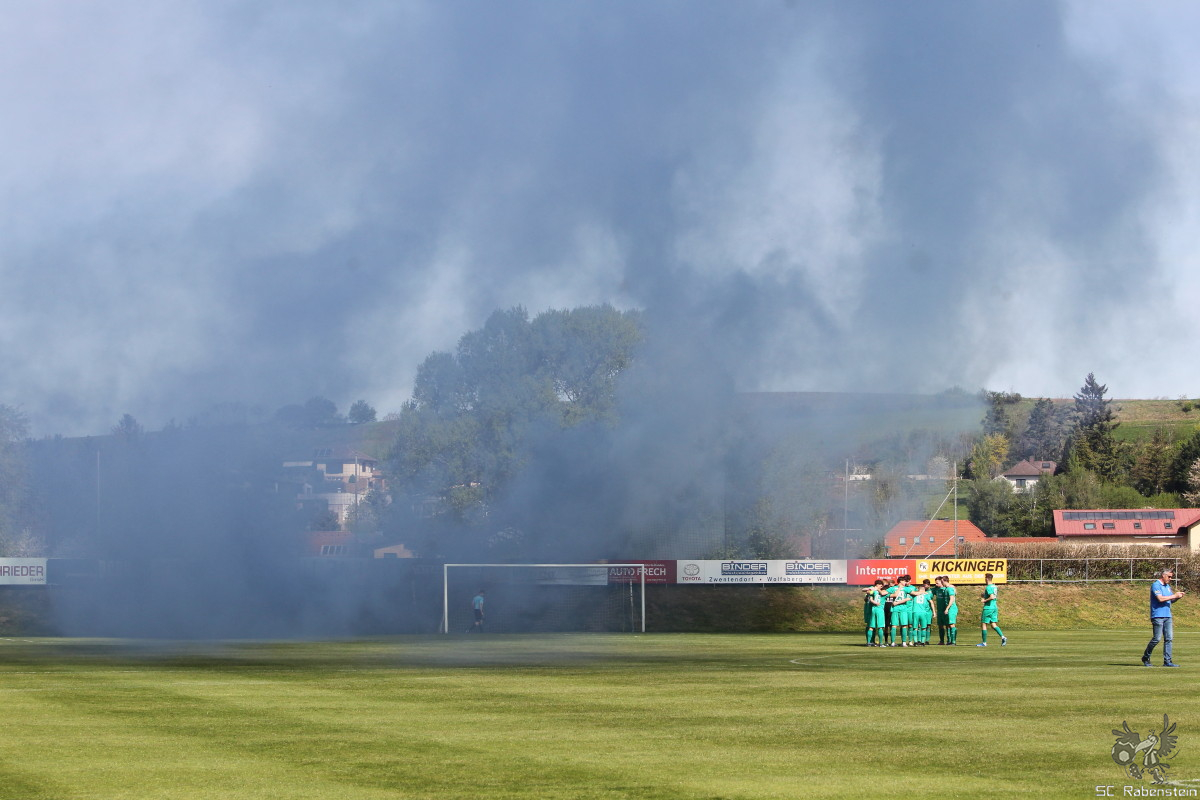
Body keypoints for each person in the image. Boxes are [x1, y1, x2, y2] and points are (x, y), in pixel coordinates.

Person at [1142, 569, 1184, 667]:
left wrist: (1177, 597)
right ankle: (1146, 657)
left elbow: (1170, 600)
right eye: (1169, 576)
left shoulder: (1167, 586)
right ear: (1163, 575)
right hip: (1158, 615)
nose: (1170, 578)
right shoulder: (1156, 585)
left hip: (1167, 615)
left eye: (1171, 577)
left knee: (1169, 638)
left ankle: (1167, 661)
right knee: (1157, 638)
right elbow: (1160, 599)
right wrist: (1174, 595)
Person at [977, 572, 1007, 647]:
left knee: (984, 624)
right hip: (994, 607)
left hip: (988, 608)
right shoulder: (994, 586)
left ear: (987, 579)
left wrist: (984, 600)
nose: (984, 579)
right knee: (993, 624)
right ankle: (1003, 637)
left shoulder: (989, 587)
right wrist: (984, 595)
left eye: (985, 578)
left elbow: (992, 597)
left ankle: (984, 643)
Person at [943, 576, 959, 645]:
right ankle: (950, 641)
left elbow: (952, 599)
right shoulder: (947, 588)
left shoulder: (949, 589)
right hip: (949, 608)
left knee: (952, 624)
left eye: (942, 581)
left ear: (944, 581)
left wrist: (947, 608)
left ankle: (953, 641)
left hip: (952, 608)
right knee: (948, 624)